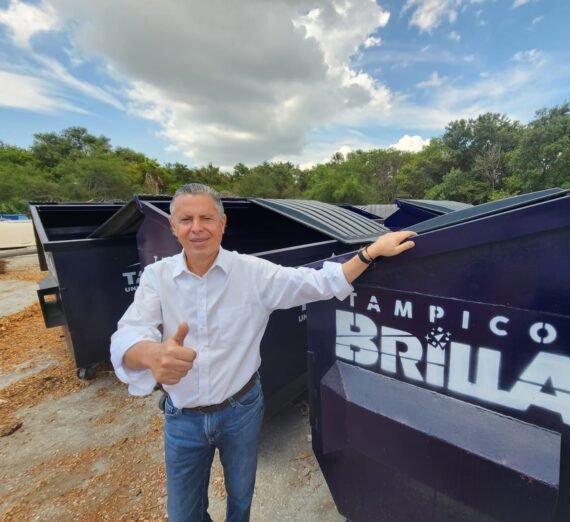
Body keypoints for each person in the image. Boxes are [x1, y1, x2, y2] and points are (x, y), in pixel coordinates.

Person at [110, 183, 416, 522]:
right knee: (183, 513)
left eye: (206, 218)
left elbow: (317, 283)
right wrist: (150, 355)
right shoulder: (157, 277)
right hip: (182, 416)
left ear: (222, 224)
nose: (196, 228)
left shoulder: (253, 273)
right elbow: (130, 333)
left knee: (241, 497)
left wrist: (370, 252)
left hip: (240, 410)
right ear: (172, 226)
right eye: (186, 219)